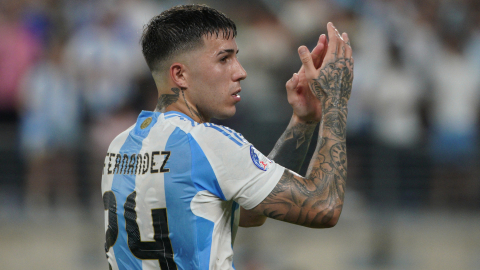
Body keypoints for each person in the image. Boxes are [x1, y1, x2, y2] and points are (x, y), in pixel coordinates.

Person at [101, 4, 353, 270]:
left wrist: (303, 121)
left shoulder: (119, 146)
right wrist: (335, 101)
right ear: (180, 74)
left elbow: (250, 211)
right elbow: (324, 207)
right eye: (224, 59)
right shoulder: (209, 143)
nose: (240, 71)